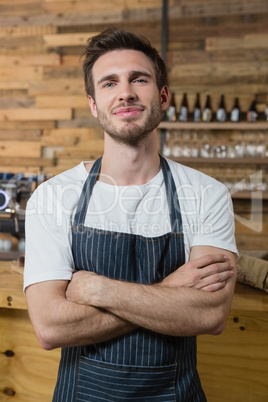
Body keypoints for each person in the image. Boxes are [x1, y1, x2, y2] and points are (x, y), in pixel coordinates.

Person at [24, 27, 238, 402]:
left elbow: (208, 316)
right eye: (109, 83)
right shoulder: (54, 197)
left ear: (164, 95)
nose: (125, 92)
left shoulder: (207, 194)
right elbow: (51, 327)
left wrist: (97, 288)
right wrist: (170, 293)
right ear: (94, 104)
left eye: (139, 79)